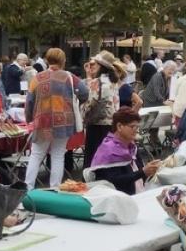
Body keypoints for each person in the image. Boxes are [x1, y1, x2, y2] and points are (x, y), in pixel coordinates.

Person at [25, 47, 88, 188]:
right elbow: (84, 93)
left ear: (47, 60)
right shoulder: (70, 77)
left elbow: (29, 102)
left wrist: (29, 118)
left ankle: (27, 188)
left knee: (36, 155)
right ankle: (55, 187)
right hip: (64, 122)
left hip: (42, 120)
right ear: (63, 60)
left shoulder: (37, 78)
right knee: (58, 155)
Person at [88, 109, 160, 195]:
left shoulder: (132, 147)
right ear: (119, 126)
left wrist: (151, 170)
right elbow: (113, 182)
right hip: (120, 199)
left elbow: (140, 174)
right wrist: (143, 172)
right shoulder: (108, 150)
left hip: (139, 193)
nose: (136, 130)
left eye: (137, 127)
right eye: (133, 127)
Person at [81, 52, 120, 161]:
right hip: (110, 124)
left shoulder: (98, 82)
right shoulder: (113, 81)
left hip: (96, 125)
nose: (91, 66)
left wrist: (81, 115)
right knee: (105, 158)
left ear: (101, 66)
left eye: (94, 64)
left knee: (93, 158)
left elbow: (90, 104)